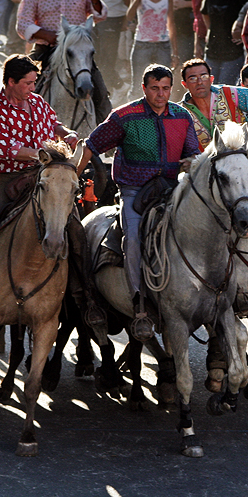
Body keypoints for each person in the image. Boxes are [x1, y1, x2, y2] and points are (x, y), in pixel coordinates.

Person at [0, 54, 107, 328]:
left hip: (47, 177)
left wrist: (67, 133)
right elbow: (1, 148)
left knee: (76, 232)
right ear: (11, 82)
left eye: (33, 82)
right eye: (27, 83)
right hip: (10, 180)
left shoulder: (37, 102)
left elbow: (53, 124)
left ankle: (87, 297)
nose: (32, 87)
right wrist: (40, 154)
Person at [77, 64, 200, 340]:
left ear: (172, 88)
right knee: (132, 236)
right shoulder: (124, 116)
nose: (161, 94)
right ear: (144, 88)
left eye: (166, 88)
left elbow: (194, 152)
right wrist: (74, 176)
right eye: (154, 89)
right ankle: (139, 302)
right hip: (133, 191)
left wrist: (191, 161)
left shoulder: (182, 116)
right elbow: (91, 145)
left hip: (171, 188)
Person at [15, 0, 111, 121]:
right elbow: (22, 24)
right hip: (46, 49)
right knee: (21, 83)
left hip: (78, 50)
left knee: (101, 91)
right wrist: (47, 35)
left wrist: (95, 0)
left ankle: (104, 133)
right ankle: (19, 123)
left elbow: (99, 16)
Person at [179, 58, 248, 149]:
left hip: (241, 158)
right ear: (184, 84)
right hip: (202, 164)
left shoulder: (230, 93)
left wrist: (246, 131)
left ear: (211, 79)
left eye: (204, 76)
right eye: (192, 79)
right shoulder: (179, 112)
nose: (199, 82)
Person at [126, 0, 177, 85]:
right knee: (138, 84)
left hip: (163, 44)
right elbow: (129, 16)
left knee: (163, 84)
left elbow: (171, 22)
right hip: (142, 43)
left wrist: (175, 52)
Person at [201, 0, 248, 85]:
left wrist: (241, 35)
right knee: (208, 87)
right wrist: (210, 31)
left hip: (233, 54)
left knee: (224, 89)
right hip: (212, 51)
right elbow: (204, 13)